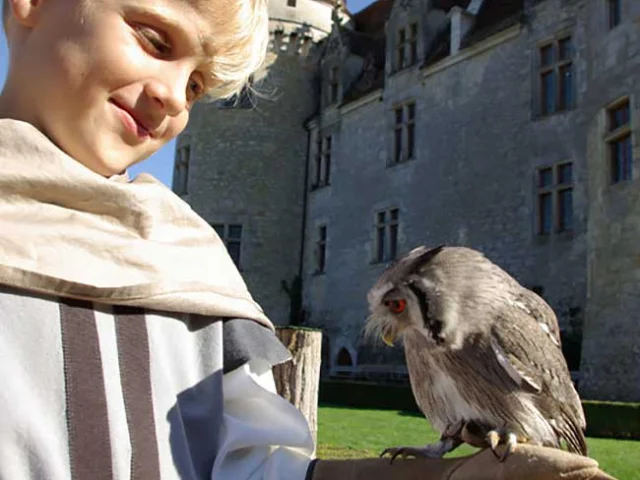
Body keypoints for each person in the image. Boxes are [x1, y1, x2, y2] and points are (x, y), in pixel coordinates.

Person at [0, 0, 616, 478]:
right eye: (154, 39)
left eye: (198, 89)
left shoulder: (192, 276)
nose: (172, 101)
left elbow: (257, 471)